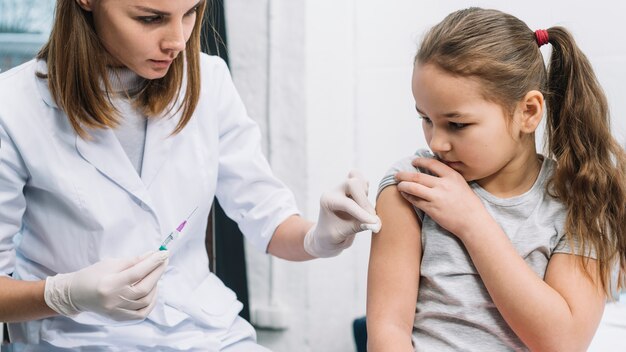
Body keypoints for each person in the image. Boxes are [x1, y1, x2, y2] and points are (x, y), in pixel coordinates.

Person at [0, 0, 381, 351]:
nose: (178, 41)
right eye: (150, 18)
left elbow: (270, 222)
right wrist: (63, 294)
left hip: (205, 333)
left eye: (191, 11)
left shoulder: (209, 81)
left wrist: (320, 237)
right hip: (77, 339)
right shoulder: (14, 106)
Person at [366, 7, 626, 352]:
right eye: (426, 119)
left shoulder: (581, 201)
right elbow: (387, 330)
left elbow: (563, 342)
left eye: (457, 124)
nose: (437, 142)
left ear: (528, 112)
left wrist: (473, 222)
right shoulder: (411, 188)